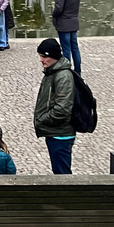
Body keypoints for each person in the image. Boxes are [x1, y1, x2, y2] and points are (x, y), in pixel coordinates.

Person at [34, 39, 76, 174]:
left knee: (62, 175)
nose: (41, 60)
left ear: (54, 56)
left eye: (44, 56)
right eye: (40, 56)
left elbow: (62, 110)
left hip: (60, 134)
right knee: (59, 172)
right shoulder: (52, 71)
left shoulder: (63, 76)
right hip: (55, 132)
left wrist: (42, 119)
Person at [52, 0, 82, 74]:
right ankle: (78, 71)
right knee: (75, 48)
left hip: (64, 23)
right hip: (74, 21)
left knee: (66, 49)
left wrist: (53, 15)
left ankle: (66, 72)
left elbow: (58, 8)